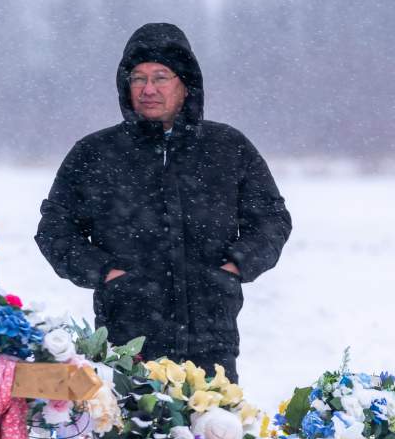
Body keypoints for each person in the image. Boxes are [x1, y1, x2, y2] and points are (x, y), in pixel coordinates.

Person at [36, 22, 291, 382]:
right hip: (126, 341)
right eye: (138, 79)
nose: (148, 89)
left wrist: (234, 267)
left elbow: (271, 219)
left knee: (211, 418)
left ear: (186, 84)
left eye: (160, 77)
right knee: (127, 418)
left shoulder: (227, 148)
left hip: (211, 337)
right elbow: (55, 229)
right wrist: (105, 273)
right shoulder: (95, 153)